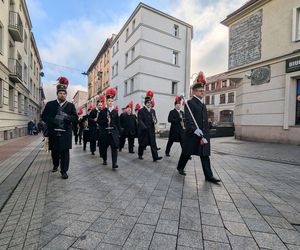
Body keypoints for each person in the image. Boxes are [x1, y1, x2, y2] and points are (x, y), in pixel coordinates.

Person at [176, 72, 220, 183]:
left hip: (203, 133)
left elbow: (204, 119)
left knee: (204, 154)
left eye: (203, 90)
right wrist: (194, 129)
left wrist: (208, 126)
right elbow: (188, 119)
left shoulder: (202, 104)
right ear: (195, 92)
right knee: (187, 152)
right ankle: (180, 167)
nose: (202, 92)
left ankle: (209, 176)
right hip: (192, 133)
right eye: (200, 91)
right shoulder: (190, 103)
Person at [41, 76, 77, 179]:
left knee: (65, 152)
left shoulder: (70, 106)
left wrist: (67, 117)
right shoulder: (50, 104)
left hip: (66, 132)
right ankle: (56, 164)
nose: (62, 95)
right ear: (57, 94)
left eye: (64, 93)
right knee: (55, 151)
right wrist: (53, 120)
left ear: (66, 94)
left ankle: (64, 171)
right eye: (60, 93)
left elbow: (75, 118)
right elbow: (43, 116)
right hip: (54, 131)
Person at [97, 88, 120, 169]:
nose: (110, 102)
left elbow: (118, 123)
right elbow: (99, 121)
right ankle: (104, 159)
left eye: (111, 101)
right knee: (103, 147)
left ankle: (114, 163)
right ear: (106, 101)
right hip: (105, 133)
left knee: (114, 148)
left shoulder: (115, 112)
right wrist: (106, 121)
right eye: (109, 101)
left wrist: (118, 133)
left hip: (113, 133)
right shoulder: (103, 111)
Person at [137, 90, 162, 162]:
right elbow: (140, 120)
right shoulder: (141, 110)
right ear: (145, 103)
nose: (149, 104)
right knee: (142, 144)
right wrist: (144, 127)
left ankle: (155, 157)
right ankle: (140, 154)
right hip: (144, 131)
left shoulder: (152, 111)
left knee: (153, 144)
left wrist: (156, 126)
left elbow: (155, 119)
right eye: (148, 103)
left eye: (150, 103)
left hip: (151, 130)